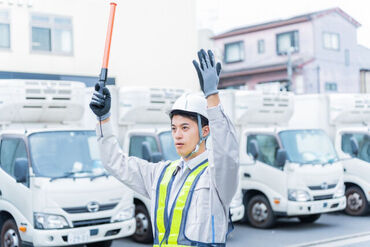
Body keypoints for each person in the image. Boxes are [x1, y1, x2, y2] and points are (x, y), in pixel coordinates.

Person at [89, 49, 239, 246]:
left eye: (185, 128)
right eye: (174, 128)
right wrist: (103, 119)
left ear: (205, 131)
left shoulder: (217, 178)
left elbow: (227, 153)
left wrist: (212, 96)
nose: (177, 134)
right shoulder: (161, 174)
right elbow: (114, 162)